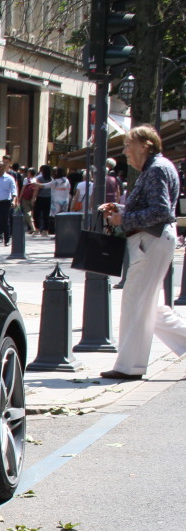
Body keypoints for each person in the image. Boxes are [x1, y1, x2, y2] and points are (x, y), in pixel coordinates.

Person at [97, 126, 186, 381]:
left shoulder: (156, 169)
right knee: (151, 307)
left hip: (151, 241)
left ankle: (130, 366)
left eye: (127, 145)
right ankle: (130, 364)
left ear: (145, 145)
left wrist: (122, 218)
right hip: (155, 240)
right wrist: (121, 210)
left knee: (136, 303)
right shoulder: (160, 167)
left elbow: (161, 211)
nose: (125, 152)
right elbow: (158, 209)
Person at [19, 168, 39, 235]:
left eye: (28, 172)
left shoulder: (26, 179)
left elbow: (23, 189)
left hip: (25, 198)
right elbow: (36, 189)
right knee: (32, 214)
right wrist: (34, 197)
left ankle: (33, 228)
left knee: (27, 214)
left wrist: (19, 198)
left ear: (30, 173)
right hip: (33, 198)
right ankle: (32, 228)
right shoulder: (36, 179)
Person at [34, 165, 53, 233]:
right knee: (46, 214)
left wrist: (34, 197)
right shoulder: (51, 178)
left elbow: (36, 188)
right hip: (48, 197)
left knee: (37, 213)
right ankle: (46, 230)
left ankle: (37, 229)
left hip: (40, 197)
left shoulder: (40, 178)